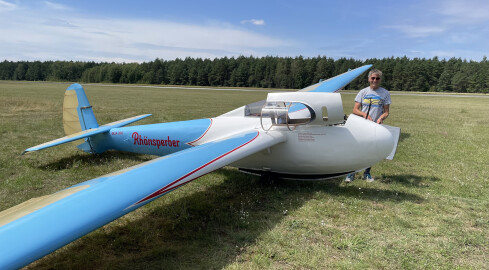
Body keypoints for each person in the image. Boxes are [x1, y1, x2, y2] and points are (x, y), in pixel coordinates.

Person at [345, 69, 391, 183]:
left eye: (377, 78)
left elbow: (386, 112)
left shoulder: (385, 93)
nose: (375, 80)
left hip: (376, 126)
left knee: (372, 150)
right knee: (357, 149)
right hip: (362, 126)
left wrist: (380, 118)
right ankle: (351, 173)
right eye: (373, 78)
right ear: (369, 79)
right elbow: (355, 110)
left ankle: (367, 173)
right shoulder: (363, 92)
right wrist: (365, 114)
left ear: (380, 80)